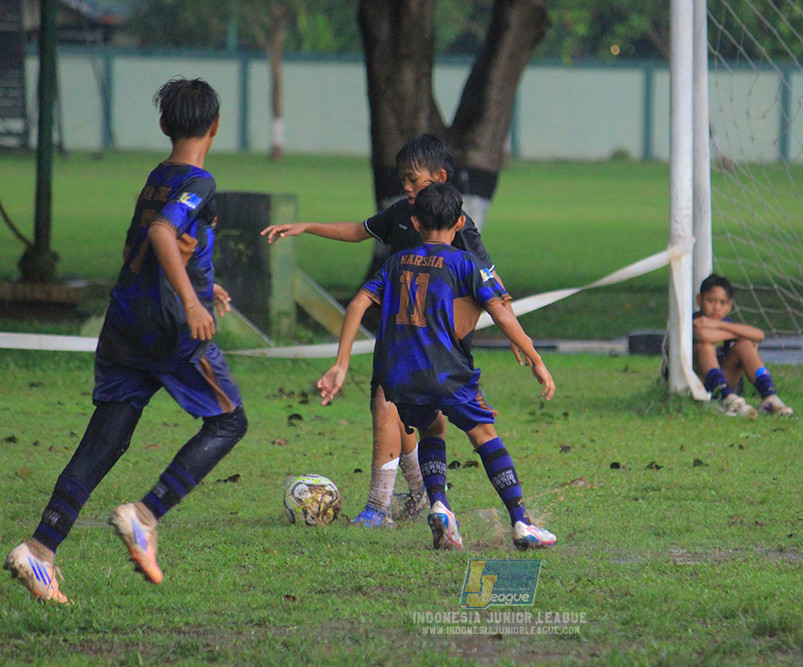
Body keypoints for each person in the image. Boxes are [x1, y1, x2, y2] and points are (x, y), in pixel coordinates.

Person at [3, 77, 248, 603]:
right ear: (216, 125)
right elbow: (163, 234)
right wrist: (189, 301)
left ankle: (40, 549)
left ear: (164, 127)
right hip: (167, 327)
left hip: (124, 321)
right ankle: (145, 514)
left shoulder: (158, 176)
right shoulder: (200, 181)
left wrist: (204, 282)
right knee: (229, 419)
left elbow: (151, 244)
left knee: (108, 437)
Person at [260, 134, 514, 528]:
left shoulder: (458, 226)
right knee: (399, 413)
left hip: (440, 347)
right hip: (399, 337)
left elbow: (492, 285)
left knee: (401, 410)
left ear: (439, 177)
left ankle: (381, 507)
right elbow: (359, 230)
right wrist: (307, 226)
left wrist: (509, 333)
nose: (406, 188)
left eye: (413, 181)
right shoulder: (401, 215)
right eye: (403, 181)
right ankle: (423, 497)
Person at [317, 183, 556, 551]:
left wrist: (341, 364)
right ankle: (522, 522)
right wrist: (536, 359)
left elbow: (357, 305)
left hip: (399, 377)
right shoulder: (465, 263)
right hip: (446, 372)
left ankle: (440, 506)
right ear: (460, 222)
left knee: (433, 428)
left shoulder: (395, 262)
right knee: (484, 435)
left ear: (414, 221)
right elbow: (502, 314)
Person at [692, 273, 794, 418]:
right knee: (705, 347)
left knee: (746, 345)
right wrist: (737, 332)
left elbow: (759, 335)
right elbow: (703, 336)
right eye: (711, 301)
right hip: (700, 384)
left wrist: (717, 324)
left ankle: (769, 395)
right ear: (699, 300)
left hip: (726, 379)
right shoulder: (694, 321)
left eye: (722, 302)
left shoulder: (723, 324)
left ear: (729, 306)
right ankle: (725, 397)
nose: (716, 307)